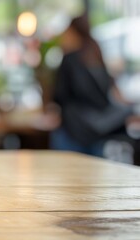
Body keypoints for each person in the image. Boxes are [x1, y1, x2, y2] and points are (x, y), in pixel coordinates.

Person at [51, 16, 133, 157]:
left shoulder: (70, 59)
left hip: (73, 129)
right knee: (94, 173)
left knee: (69, 173)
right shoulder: (95, 56)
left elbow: (60, 95)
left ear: (72, 32)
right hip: (97, 130)